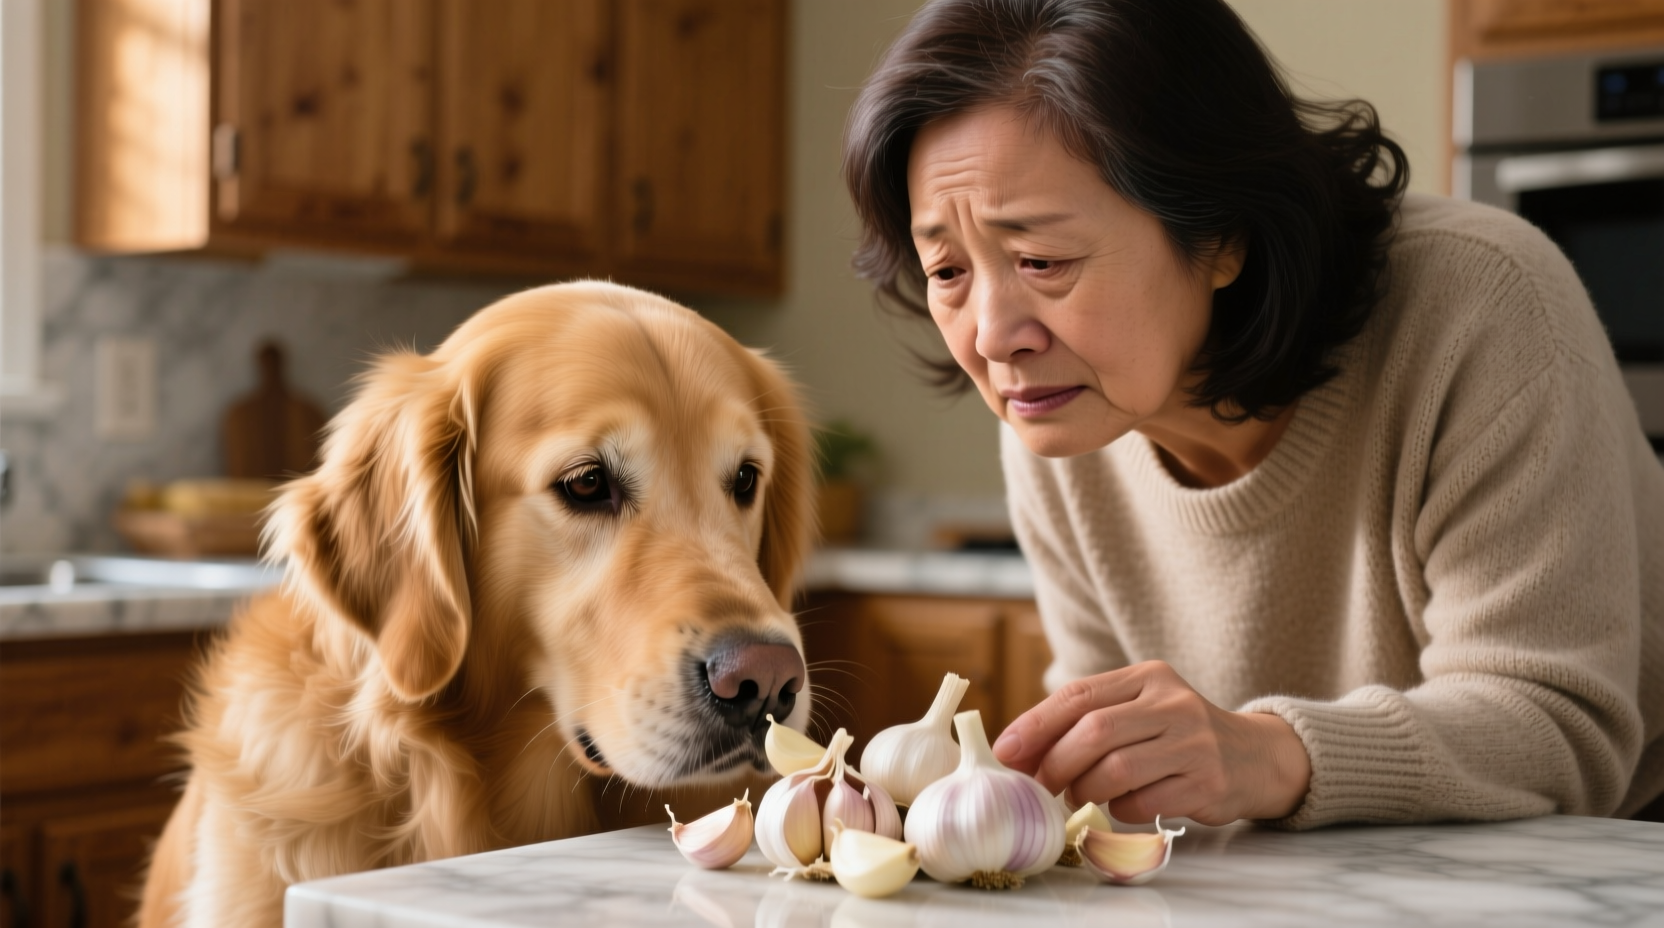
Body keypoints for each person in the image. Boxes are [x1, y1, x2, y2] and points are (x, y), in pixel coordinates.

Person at [842, 0, 1664, 829]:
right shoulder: (1056, 414)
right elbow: (1114, 759)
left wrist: (1270, 752)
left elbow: (1562, 729)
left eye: (1040, 260)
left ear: (1223, 232)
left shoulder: (1482, 306)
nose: (991, 338)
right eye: (946, 271)